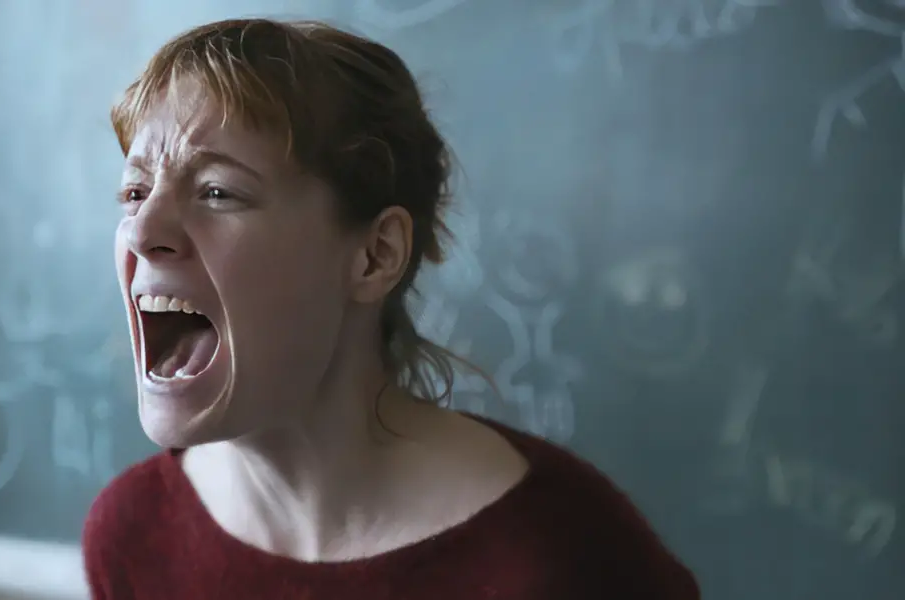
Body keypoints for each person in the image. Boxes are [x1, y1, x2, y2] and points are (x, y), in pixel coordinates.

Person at [82, 17, 700, 600]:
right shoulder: (132, 534)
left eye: (218, 191)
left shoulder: (567, 557)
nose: (140, 231)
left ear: (376, 256)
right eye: (134, 192)